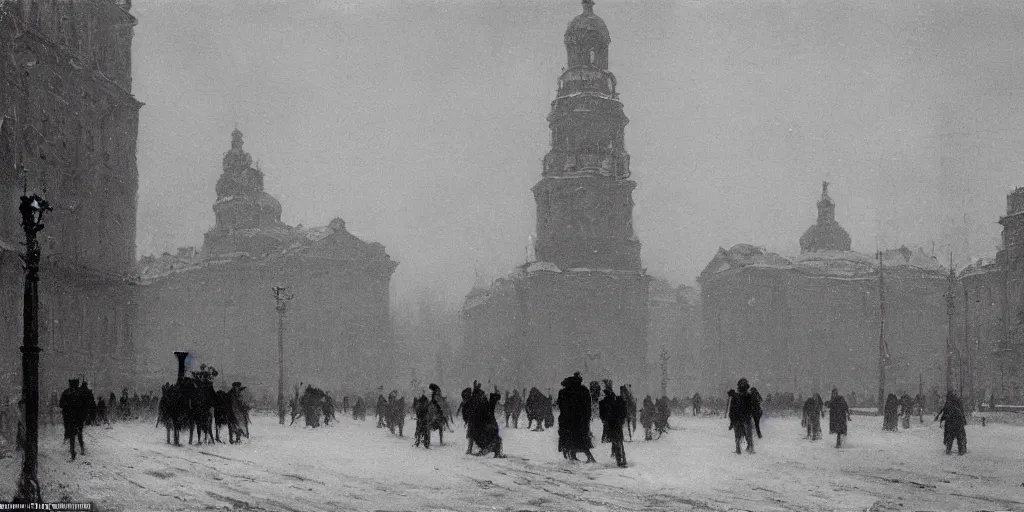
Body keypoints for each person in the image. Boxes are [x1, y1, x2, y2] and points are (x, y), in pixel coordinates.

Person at [557, 372, 596, 462]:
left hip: (567, 419)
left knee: (570, 438)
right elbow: (587, 406)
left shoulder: (564, 392)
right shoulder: (583, 390)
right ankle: (583, 457)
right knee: (580, 439)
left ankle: (574, 456)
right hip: (580, 420)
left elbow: (561, 406)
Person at [598, 381, 627, 467]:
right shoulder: (619, 400)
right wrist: (621, 420)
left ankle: (619, 459)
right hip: (617, 423)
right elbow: (623, 412)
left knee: (615, 441)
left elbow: (602, 415)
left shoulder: (603, 403)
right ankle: (622, 458)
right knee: (619, 441)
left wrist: (605, 421)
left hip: (611, 424)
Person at [60, 379, 86, 460]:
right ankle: (82, 448)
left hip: (69, 417)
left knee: (72, 435)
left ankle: (72, 451)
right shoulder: (81, 393)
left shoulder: (66, 392)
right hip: (79, 417)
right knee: (79, 433)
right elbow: (85, 405)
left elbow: (61, 404)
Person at [935, 390, 967, 455]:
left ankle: (948, 449)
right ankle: (961, 450)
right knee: (960, 437)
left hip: (950, 423)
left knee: (949, 437)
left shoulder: (948, 402)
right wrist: (964, 420)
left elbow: (945, 411)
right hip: (958, 422)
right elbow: (961, 411)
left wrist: (941, 419)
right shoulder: (958, 401)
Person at [728, 379, 755, 454]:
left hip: (740, 418)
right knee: (747, 435)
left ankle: (740, 449)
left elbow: (732, 410)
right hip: (744, 418)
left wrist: (732, 421)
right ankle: (748, 448)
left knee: (739, 435)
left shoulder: (737, 396)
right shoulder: (748, 396)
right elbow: (752, 408)